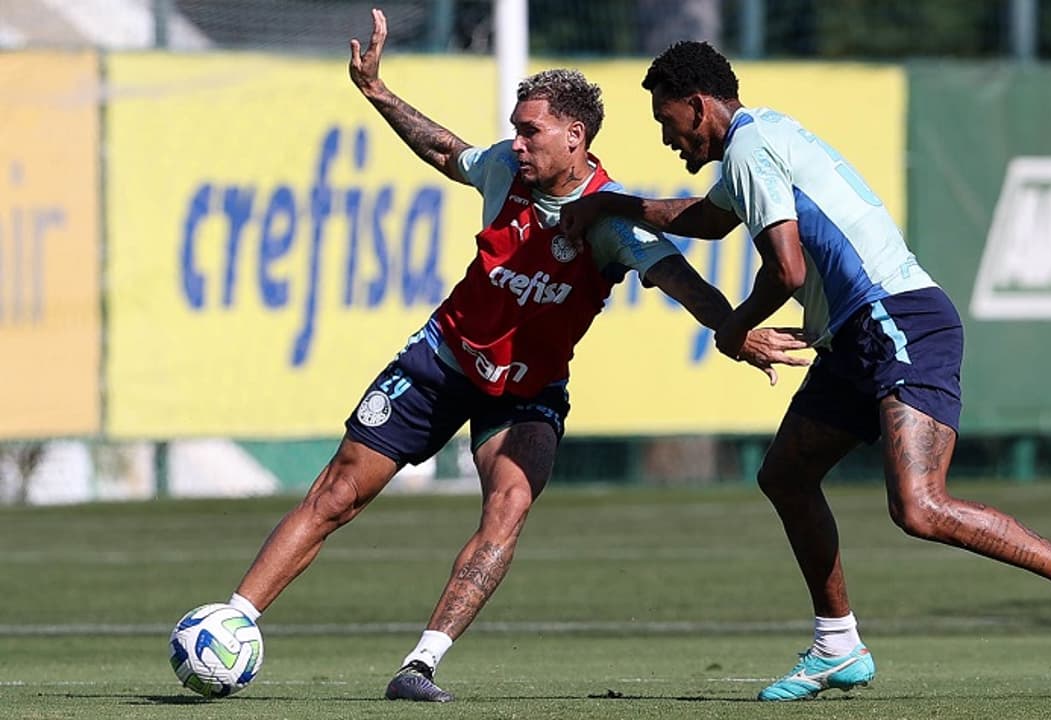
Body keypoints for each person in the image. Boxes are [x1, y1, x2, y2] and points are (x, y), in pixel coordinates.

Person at [219, 16, 807, 704]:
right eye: (517, 129)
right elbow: (447, 152)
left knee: (509, 505)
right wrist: (376, 91)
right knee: (339, 493)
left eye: (531, 131)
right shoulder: (504, 167)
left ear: (574, 138)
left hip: (527, 390)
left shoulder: (609, 220)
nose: (517, 142)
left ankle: (421, 665)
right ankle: (231, 621)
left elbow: (679, 280)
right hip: (443, 358)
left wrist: (738, 332)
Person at [561, 40, 1051, 701]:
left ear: (697, 106)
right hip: (855, 336)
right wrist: (612, 204)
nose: (668, 139)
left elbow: (789, 270)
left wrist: (733, 325)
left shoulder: (751, 149)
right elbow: (705, 219)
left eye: (668, 122)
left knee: (920, 508)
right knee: (785, 474)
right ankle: (837, 646)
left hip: (897, 321)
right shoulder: (760, 138)